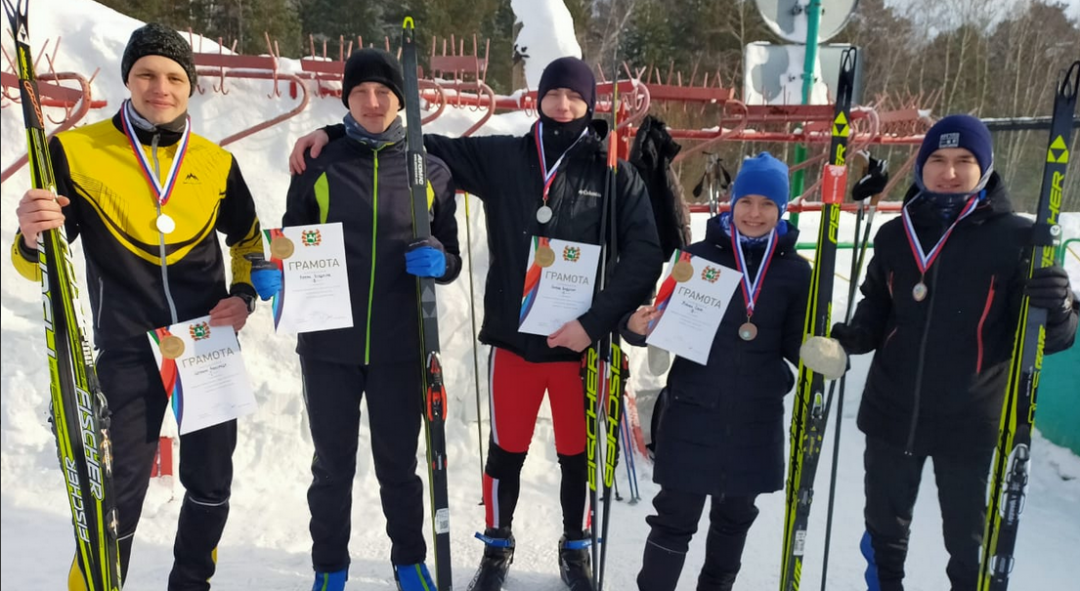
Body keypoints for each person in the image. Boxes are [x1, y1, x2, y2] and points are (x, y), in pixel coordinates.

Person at [290, 55, 664, 591]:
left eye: (575, 97)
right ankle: (497, 543)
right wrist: (331, 132)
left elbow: (645, 256)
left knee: (576, 454)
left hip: (579, 343)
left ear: (590, 104)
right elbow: (412, 140)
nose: (563, 105)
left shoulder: (613, 172)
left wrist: (596, 322)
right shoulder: (505, 157)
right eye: (553, 93)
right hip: (515, 340)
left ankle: (575, 547)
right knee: (506, 448)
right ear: (538, 98)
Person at [11, 23, 274, 591]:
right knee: (115, 492)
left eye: (175, 77)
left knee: (211, 482)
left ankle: (192, 582)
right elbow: (39, 266)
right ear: (129, 78)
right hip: (128, 346)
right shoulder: (75, 152)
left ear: (190, 87)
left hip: (205, 343)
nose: (161, 86)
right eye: (147, 74)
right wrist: (30, 237)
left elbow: (250, 242)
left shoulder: (215, 162)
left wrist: (245, 295)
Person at [801, 114, 1078, 591]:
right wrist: (848, 340)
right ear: (922, 168)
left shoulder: (1017, 238)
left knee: (967, 542)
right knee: (884, 532)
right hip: (891, 413)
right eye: (938, 160)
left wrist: (1061, 309)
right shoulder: (894, 236)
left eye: (963, 161)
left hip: (969, 420)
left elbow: (1046, 340)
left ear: (985, 167)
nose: (949, 171)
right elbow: (877, 309)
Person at [277, 48, 461, 591]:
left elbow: (451, 254)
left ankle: (409, 560)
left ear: (401, 101)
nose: (373, 102)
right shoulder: (319, 163)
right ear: (346, 100)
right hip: (328, 348)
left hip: (401, 347)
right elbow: (294, 236)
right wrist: (277, 272)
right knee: (331, 468)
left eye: (383, 92)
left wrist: (442, 263)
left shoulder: (432, 170)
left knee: (399, 467)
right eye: (360, 93)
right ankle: (329, 567)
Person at [622, 153, 811, 591]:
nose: (755, 213)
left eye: (768, 204)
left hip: (754, 421)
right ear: (732, 201)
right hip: (693, 411)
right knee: (674, 518)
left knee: (734, 520)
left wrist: (812, 355)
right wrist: (635, 326)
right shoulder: (697, 258)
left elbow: (798, 347)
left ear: (781, 209)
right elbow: (660, 326)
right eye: (747, 201)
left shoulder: (796, 274)